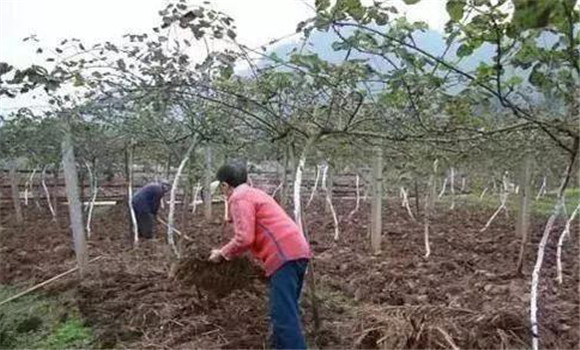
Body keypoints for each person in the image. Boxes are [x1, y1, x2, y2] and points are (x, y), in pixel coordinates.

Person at [208, 161, 311, 350]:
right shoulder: (254, 193)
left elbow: (244, 238)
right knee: (286, 310)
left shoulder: (239, 198)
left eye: (221, 188)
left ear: (224, 185)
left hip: (283, 255)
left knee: (283, 315)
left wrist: (222, 253)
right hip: (297, 250)